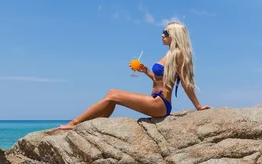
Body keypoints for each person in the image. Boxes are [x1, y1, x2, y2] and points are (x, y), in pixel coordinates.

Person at [58, 22, 211, 130]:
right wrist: (146, 71)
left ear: (174, 36)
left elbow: (185, 83)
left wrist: (198, 106)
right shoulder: (169, 54)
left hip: (160, 104)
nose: (162, 35)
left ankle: (74, 123)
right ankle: (94, 125)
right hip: (155, 100)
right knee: (112, 98)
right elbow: (160, 81)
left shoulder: (178, 55)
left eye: (165, 33)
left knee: (112, 94)